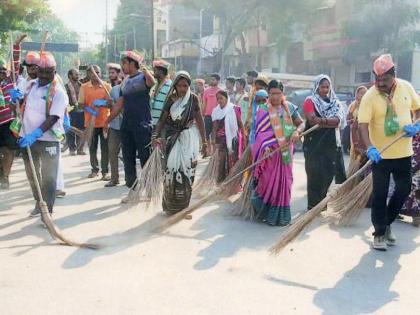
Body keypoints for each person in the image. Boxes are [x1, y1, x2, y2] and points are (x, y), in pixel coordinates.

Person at [358, 54, 420, 251]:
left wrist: (415, 125)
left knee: (403, 190)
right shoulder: (370, 96)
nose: (380, 83)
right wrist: (370, 148)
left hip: (403, 152)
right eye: (377, 79)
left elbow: (418, 109)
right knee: (380, 194)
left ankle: (385, 225)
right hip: (381, 155)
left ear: (394, 75)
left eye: (384, 79)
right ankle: (379, 234)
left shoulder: (406, 88)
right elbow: (362, 125)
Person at [18, 52, 68, 216]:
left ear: (55, 71)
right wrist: (16, 98)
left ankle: (48, 210)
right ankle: (39, 202)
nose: (45, 75)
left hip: (48, 139)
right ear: (36, 70)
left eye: (50, 72)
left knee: (49, 178)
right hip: (27, 138)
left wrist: (37, 133)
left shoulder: (58, 92)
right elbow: (21, 105)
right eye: (42, 71)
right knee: (32, 174)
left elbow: (53, 118)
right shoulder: (30, 85)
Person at [251, 80, 305, 226]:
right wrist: (264, 146)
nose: (275, 97)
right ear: (268, 94)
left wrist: (297, 131)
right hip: (269, 153)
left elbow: (301, 123)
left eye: (278, 93)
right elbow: (260, 133)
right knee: (266, 182)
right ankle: (264, 213)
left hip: (285, 152)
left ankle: (281, 217)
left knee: (285, 182)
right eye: (272, 94)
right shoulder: (262, 109)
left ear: (282, 93)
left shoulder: (290, 108)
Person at [153, 71, 207, 214]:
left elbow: (200, 119)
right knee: (170, 171)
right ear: (175, 85)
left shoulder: (193, 99)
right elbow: (161, 120)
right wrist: (155, 135)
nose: (183, 88)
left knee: (187, 172)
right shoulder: (170, 100)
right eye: (180, 85)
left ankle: (183, 209)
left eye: (185, 85)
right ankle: (170, 207)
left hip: (188, 139)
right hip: (171, 139)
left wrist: (205, 141)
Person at [106, 51, 155, 188]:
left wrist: (145, 70)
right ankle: (132, 188)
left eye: (125, 63)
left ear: (133, 64)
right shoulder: (125, 83)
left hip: (142, 125)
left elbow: (152, 82)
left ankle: (149, 188)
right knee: (128, 158)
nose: (122, 66)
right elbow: (119, 104)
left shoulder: (142, 78)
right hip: (127, 126)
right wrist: (107, 121)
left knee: (145, 158)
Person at [303, 74, 346, 211]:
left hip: (330, 144)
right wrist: (329, 122)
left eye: (327, 87)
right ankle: (313, 206)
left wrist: (323, 122)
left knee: (328, 174)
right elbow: (312, 120)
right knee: (314, 174)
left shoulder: (335, 103)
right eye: (322, 87)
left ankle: (321, 205)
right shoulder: (310, 101)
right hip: (314, 144)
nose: (325, 89)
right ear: (317, 87)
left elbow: (338, 121)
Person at [78, 65, 111, 180]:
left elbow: (111, 103)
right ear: (89, 74)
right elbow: (80, 104)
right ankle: (94, 170)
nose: (95, 74)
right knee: (92, 148)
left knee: (105, 148)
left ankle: (105, 172)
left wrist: (103, 103)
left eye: (97, 72)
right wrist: (90, 109)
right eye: (92, 72)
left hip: (104, 123)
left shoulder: (106, 86)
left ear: (100, 73)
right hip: (90, 123)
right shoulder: (84, 87)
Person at [0, 34, 24, 189]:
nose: (1, 73)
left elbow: (15, 64)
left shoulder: (10, 81)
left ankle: (5, 176)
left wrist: (16, 45)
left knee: (8, 152)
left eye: (2, 70)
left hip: (8, 122)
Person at [211, 90, 245, 183]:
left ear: (226, 98)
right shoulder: (216, 111)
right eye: (217, 99)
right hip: (221, 139)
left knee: (233, 160)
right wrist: (214, 139)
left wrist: (244, 138)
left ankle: (233, 182)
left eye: (221, 98)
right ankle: (221, 181)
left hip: (233, 138)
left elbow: (240, 124)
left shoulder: (233, 109)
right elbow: (214, 127)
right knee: (221, 161)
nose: (219, 100)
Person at [65, 68, 85, 155]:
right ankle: (72, 149)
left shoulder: (82, 85)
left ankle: (80, 149)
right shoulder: (66, 87)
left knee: (81, 130)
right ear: (70, 76)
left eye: (78, 74)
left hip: (81, 111)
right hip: (71, 111)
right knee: (71, 130)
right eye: (76, 74)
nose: (78, 76)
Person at [347, 86, 368, 166]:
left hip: (364, 132)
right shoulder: (353, 105)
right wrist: (352, 121)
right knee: (355, 152)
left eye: (365, 93)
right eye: (361, 93)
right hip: (354, 132)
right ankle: (353, 172)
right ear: (356, 94)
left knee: (364, 154)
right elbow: (347, 119)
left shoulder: (367, 105)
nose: (363, 95)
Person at [150, 59, 172, 126]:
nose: (154, 72)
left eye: (155, 70)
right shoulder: (155, 85)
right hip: (152, 122)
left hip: (163, 124)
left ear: (161, 71)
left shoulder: (170, 85)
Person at [203, 73, 221, 145]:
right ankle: (208, 151)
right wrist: (202, 113)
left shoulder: (221, 91)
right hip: (208, 116)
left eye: (213, 80)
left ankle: (214, 153)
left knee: (216, 134)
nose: (211, 81)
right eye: (211, 79)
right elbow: (204, 103)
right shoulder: (206, 91)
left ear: (218, 81)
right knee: (206, 134)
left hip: (217, 117)